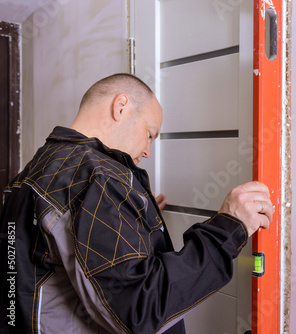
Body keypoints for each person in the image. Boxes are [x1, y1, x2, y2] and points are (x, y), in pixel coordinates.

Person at [0, 73, 273, 334]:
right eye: (150, 134)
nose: (147, 151)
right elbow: (140, 308)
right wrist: (227, 229)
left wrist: (124, 217)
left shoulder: (34, 171)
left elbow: (25, 273)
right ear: (121, 107)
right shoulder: (96, 177)